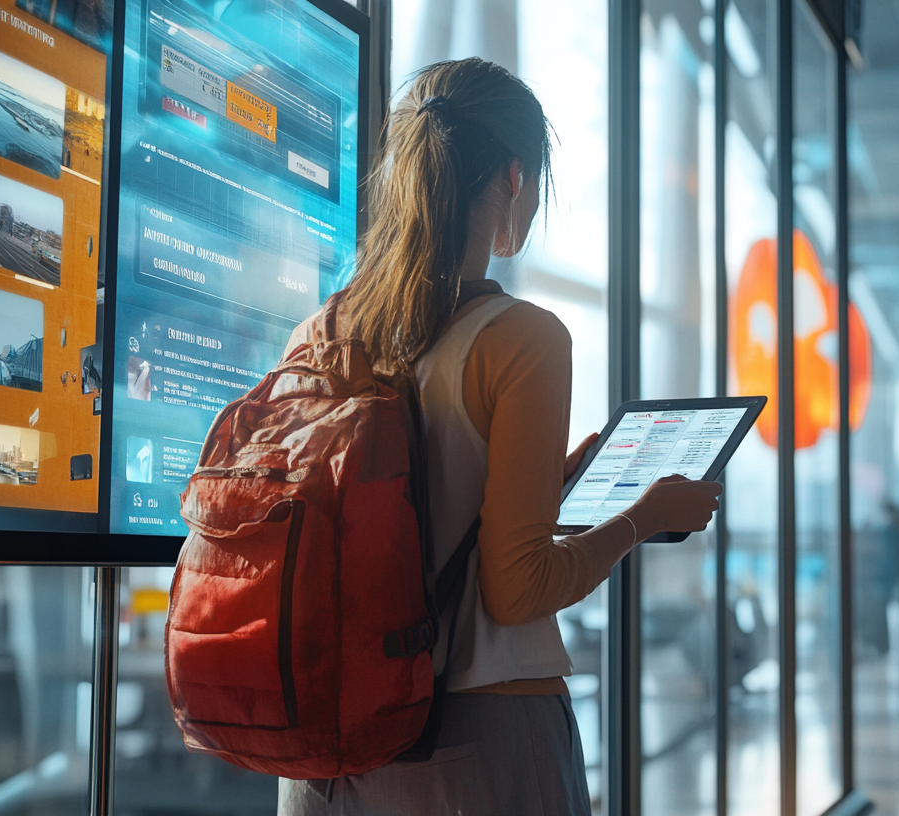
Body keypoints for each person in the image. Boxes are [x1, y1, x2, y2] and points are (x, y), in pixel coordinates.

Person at [277, 58, 723, 815]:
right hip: (475, 744)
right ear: (515, 177)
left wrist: (551, 482)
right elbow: (517, 592)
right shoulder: (521, 339)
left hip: (326, 750)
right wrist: (647, 518)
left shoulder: (324, 330)